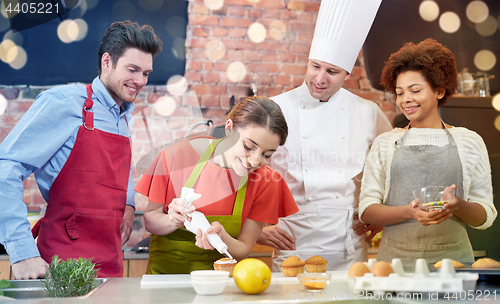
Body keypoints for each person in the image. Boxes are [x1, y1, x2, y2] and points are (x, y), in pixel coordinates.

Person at [0, 21, 163, 279]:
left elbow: (117, 172)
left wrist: (128, 204)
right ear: (107, 61)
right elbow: (5, 168)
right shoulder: (64, 103)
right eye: (133, 70)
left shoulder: (123, 117)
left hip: (111, 264)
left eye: (146, 73)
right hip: (61, 267)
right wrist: (22, 251)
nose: (140, 81)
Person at [256, 0, 393, 272]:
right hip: (292, 242)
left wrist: (384, 215)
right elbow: (242, 172)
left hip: (349, 245)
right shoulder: (273, 109)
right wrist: (255, 228)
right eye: (315, 66)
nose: (320, 78)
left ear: (347, 74)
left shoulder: (368, 113)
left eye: (331, 72)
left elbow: (393, 165)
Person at [359, 38, 497, 271]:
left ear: (439, 91)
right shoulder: (386, 143)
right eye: (400, 93)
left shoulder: (469, 141)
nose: (406, 100)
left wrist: (458, 205)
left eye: (415, 91)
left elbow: (484, 216)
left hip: (454, 267)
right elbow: (367, 210)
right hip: (393, 268)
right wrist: (410, 213)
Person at [135, 96, 299, 274]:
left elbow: (243, 248)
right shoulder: (178, 155)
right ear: (229, 128)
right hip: (165, 281)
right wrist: (172, 220)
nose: (254, 161)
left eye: (267, 155)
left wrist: (222, 237)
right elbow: (150, 219)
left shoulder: (266, 181)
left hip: (221, 285)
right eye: (248, 146)